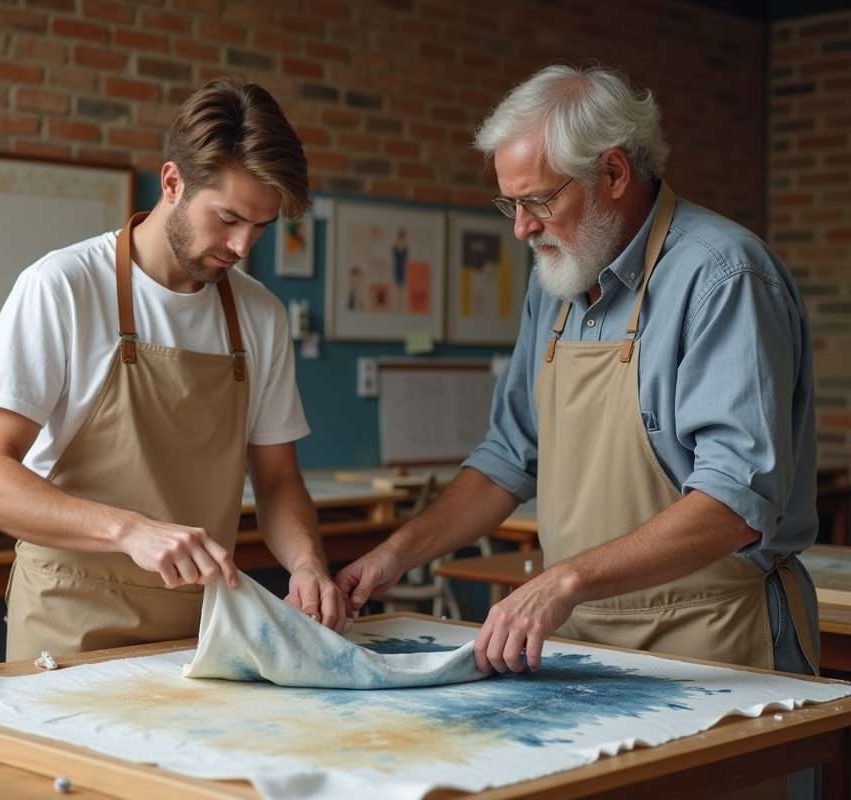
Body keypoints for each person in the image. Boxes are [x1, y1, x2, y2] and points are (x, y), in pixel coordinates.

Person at [338, 64, 819, 684]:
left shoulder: (723, 277)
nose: (521, 227)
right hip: (581, 638)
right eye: (510, 203)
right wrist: (392, 555)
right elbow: (508, 460)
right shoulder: (559, 282)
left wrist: (564, 580)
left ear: (613, 173)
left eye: (539, 200)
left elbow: (736, 503)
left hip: (713, 639)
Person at [0, 76, 345, 661]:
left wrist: (308, 563)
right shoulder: (61, 287)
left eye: (262, 227)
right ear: (173, 182)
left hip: (202, 626)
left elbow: (276, 481)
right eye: (229, 218)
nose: (244, 246)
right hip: (69, 620)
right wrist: (131, 530)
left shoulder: (260, 314)